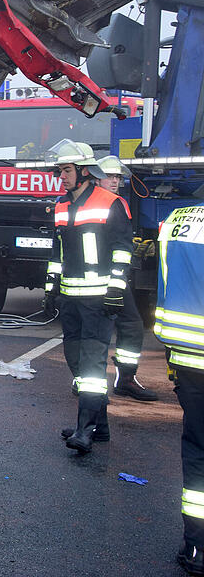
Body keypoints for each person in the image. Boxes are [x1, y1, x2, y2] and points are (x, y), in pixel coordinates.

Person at [43, 141, 133, 453]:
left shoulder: (111, 203)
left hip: (99, 299)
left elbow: (123, 249)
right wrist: (51, 284)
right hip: (71, 298)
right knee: (76, 360)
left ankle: (85, 429)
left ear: (84, 172)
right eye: (59, 171)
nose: (61, 176)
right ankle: (101, 426)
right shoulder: (61, 205)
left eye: (66, 170)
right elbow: (58, 250)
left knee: (93, 365)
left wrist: (116, 290)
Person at [152, 204, 204, 575]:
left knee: (198, 449)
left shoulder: (177, 219)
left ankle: (197, 547)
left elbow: (165, 282)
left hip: (187, 354)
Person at [95, 154, 158, 401]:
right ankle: (124, 379)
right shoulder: (113, 203)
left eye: (118, 177)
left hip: (99, 279)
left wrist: (132, 245)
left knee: (119, 328)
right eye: (110, 176)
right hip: (108, 279)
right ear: (97, 177)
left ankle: (120, 379)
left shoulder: (89, 201)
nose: (115, 181)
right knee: (127, 326)